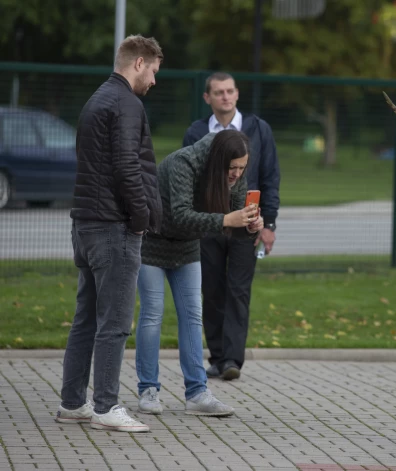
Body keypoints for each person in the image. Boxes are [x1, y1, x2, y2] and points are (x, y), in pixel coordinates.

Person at [56, 35, 163, 433]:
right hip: (112, 227)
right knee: (115, 323)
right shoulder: (126, 103)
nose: (154, 80)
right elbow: (126, 168)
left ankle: (72, 403)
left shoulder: (98, 98)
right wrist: (140, 217)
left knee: (86, 318)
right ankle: (105, 407)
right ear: (138, 63)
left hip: (84, 224)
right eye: (153, 71)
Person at [135, 130, 263, 415]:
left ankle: (197, 394)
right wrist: (227, 219)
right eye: (232, 168)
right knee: (153, 313)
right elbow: (181, 215)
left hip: (187, 249)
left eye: (242, 168)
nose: (237, 174)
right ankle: (148, 390)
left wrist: (248, 226)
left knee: (193, 314)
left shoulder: (235, 174)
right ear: (218, 161)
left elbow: (231, 224)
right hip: (152, 244)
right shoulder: (184, 163)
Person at [182, 72, 280, 381]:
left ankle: (233, 360)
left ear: (237, 94)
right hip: (209, 224)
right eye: (218, 92)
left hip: (248, 223)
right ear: (207, 97)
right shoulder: (196, 132)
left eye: (230, 91)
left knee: (238, 290)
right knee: (210, 289)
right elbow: (189, 180)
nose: (225, 96)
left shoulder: (258, 129)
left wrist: (269, 223)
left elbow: (270, 176)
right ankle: (218, 356)